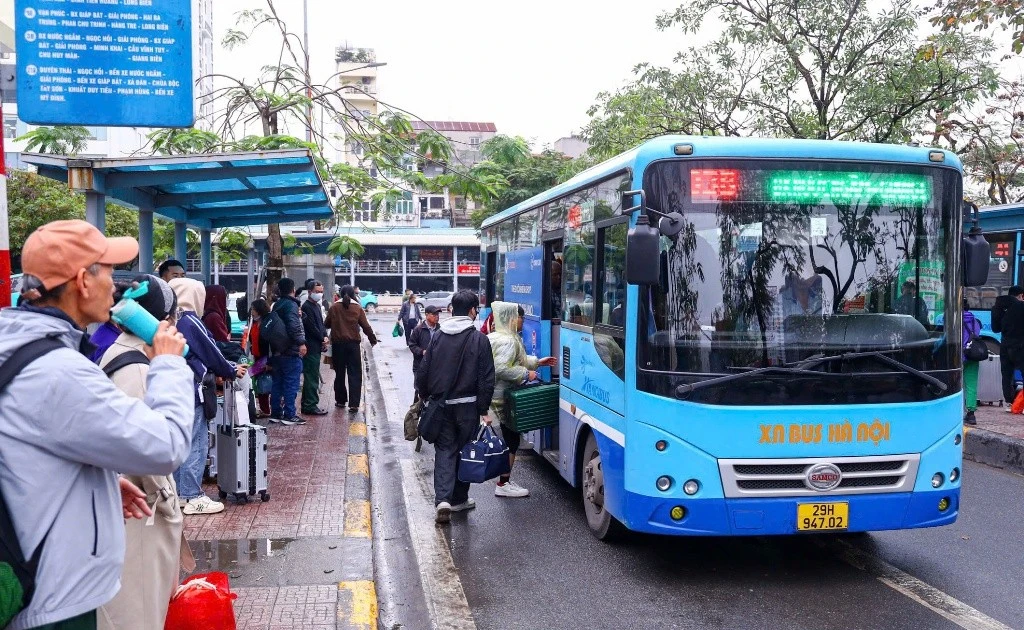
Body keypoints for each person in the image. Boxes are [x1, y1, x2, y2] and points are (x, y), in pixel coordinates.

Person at [0, 220, 193, 630]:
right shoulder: (57, 371)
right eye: (107, 271)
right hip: (51, 603)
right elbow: (167, 446)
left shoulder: (19, 346)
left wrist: (93, 481)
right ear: (82, 282)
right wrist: (170, 364)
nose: (115, 285)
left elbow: (27, 452)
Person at [97, 274, 187, 630]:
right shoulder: (135, 364)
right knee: (140, 609)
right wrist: (168, 505)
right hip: (142, 513)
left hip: (133, 505)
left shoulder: (120, 351)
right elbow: (151, 449)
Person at [415, 290, 495, 524]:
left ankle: (443, 500)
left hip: (442, 406)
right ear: (472, 311)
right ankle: (459, 499)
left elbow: (424, 370)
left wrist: (425, 395)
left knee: (445, 450)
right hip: (468, 408)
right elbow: (486, 378)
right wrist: (483, 409)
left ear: (451, 310)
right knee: (465, 450)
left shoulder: (438, 336)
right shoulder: (479, 339)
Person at [169, 278, 246, 514]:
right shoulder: (191, 320)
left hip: (174, 388)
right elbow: (210, 351)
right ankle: (192, 495)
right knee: (197, 441)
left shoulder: (170, 320)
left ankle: (179, 493)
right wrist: (231, 370)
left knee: (180, 442)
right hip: (193, 388)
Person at [487, 302, 557, 498]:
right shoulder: (508, 341)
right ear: (512, 318)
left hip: (495, 397)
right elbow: (502, 368)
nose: (523, 322)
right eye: (521, 318)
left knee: (508, 440)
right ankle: (503, 483)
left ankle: (503, 480)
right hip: (501, 399)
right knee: (511, 442)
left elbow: (515, 360)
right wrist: (527, 374)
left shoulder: (499, 337)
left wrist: (537, 362)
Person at [325, 285, 378, 413]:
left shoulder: (334, 307)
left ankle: (340, 400)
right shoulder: (357, 308)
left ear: (341, 293)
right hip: (353, 346)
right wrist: (373, 340)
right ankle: (354, 404)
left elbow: (326, 324)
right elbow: (366, 326)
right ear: (353, 294)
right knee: (355, 374)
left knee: (339, 374)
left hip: (338, 346)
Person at [268, 277, 308, 425]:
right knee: (291, 383)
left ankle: (276, 413)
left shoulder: (277, 304)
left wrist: (301, 315)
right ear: (293, 289)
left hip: (277, 351)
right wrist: (301, 343)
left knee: (277, 383)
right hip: (290, 350)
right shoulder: (291, 305)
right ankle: (290, 414)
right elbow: (293, 326)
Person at [992, 285, 1024, 405]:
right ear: (1020, 295)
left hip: (1005, 345)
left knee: (1006, 375)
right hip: (1021, 345)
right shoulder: (1021, 306)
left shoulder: (997, 307)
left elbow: (995, 329)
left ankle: (1009, 403)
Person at [301, 280, 329, 415]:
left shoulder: (317, 306)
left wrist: (325, 336)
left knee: (312, 376)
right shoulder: (306, 307)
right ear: (309, 292)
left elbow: (321, 325)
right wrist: (321, 337)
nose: (319, 294)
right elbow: (311, 327)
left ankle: (307, 404)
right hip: (310, 346)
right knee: (311, 377)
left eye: (321, 292)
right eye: (317, 292)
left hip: (317, 345)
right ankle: (310, 405)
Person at [247, 299, 273, 418]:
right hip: (257, 356)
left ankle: (271, 408)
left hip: (266, 357)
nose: (251, 312)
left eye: (253, 309)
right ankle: (264, 409)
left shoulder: (267, 323)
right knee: (261, 383)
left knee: (267, 382)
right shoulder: (255, 323)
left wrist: (270, 361)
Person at [408, 304, 442, 386]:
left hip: (436, 366)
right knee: (419, 389)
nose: (437, 317)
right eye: (434, 314)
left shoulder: (441, 329)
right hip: (420, 366)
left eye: (438, 314)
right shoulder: (418, 329)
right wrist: (422, 352)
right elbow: (412, 345)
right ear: (426, 315)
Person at [963, 300, 982, 426]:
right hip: (973, 356)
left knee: (955, 386)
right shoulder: (975, 321)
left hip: (957, 357)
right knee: (971, 384)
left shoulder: (952, 319)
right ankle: (971, 414)